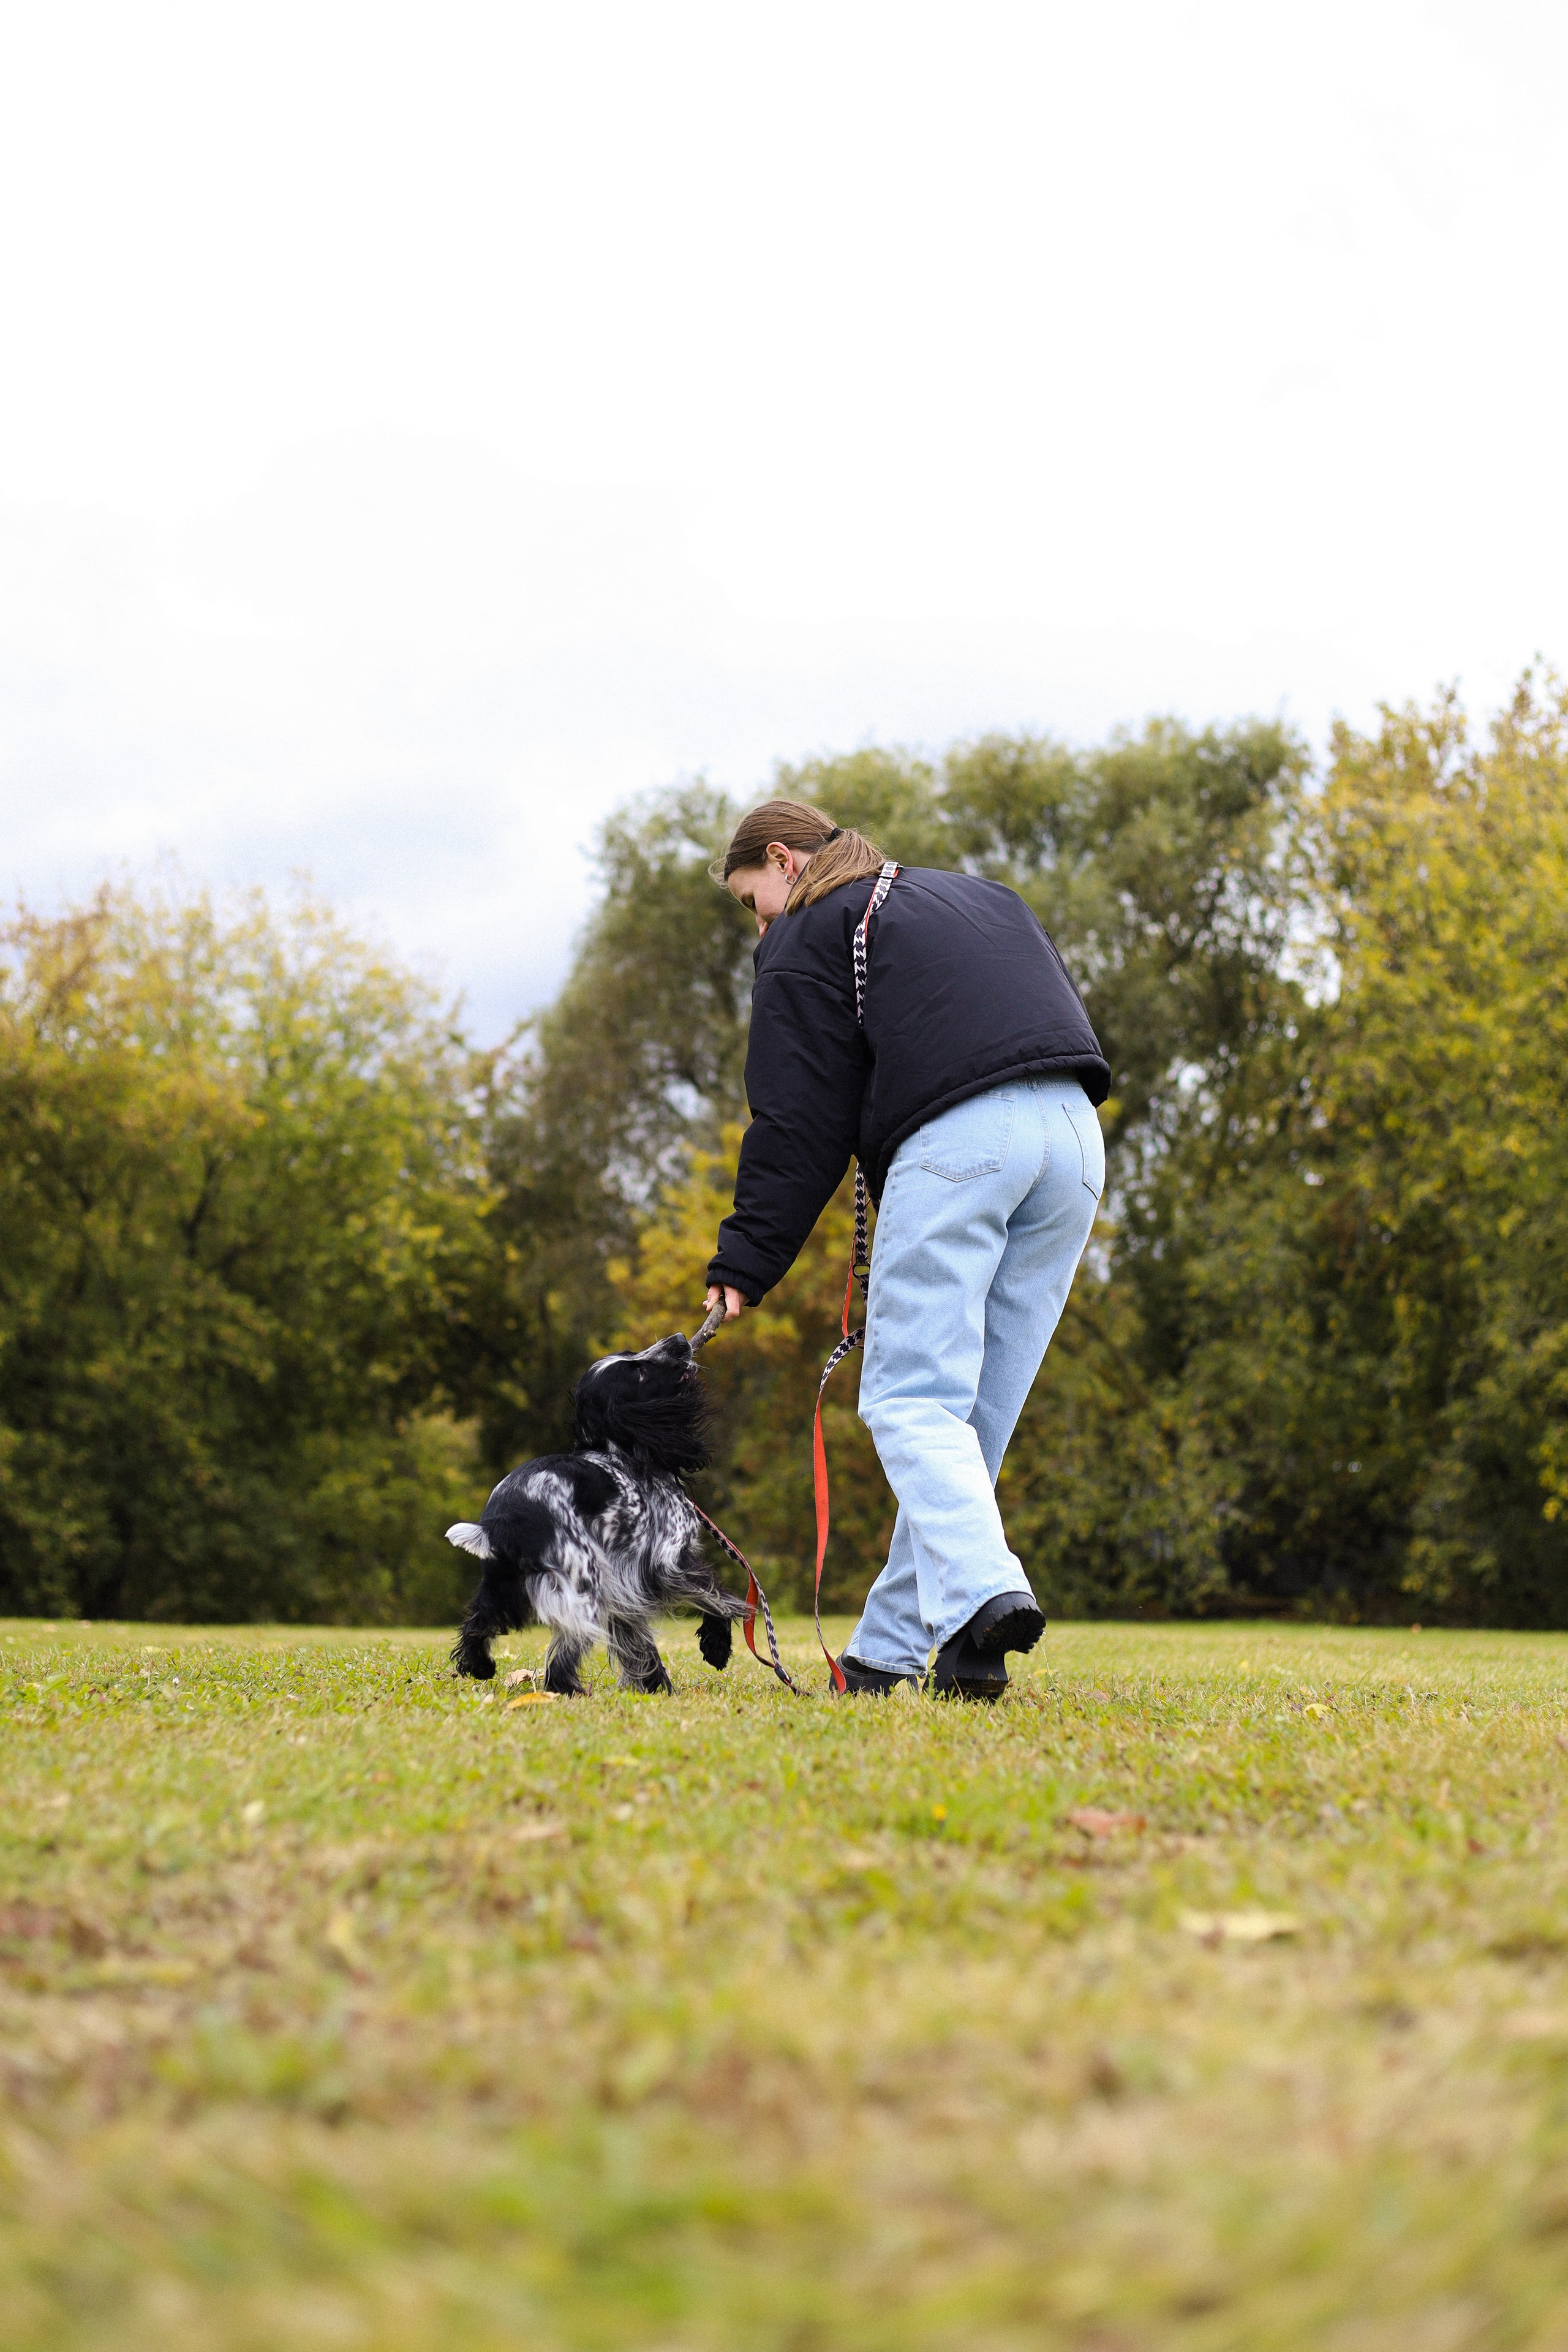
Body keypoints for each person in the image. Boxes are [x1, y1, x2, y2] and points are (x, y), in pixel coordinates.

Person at [703, 798, 1110, 1700]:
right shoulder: (981, 897)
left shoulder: (808, 926)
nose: (760, 925)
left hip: (965, 1141)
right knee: (966, 1429)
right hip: (1076, 1138)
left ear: (783, 861)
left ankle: (990, 1591)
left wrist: (746, 1259)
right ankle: (898, 1654)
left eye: (751, 900)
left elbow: (796, 1116)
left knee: (908, 1401)